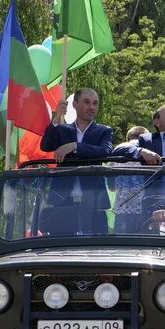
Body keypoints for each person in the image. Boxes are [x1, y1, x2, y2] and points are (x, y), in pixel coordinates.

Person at [40, 88, 115, 234]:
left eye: (95, 103)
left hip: (93, 197)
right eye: (86, 102)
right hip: (63, 196)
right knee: (61, 241)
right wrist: (56, 118)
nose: (92, 107)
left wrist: (75, 146)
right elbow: (45, 145)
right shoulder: (62, 129)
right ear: (74, 104)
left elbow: (106, 151)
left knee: (96, 244)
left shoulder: (103, 131)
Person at [111, 125, 150, 233]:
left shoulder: (118, 150)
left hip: (121, 210)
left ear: (128, 138)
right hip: (144, 208)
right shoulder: (148, 149)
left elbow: (111, 187)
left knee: (123, 246)